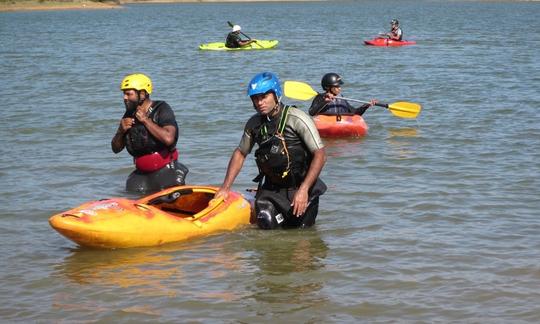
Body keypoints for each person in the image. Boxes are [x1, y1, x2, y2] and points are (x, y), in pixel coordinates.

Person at [215, 72, 327, 230]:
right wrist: (225, 188)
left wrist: (303, 190)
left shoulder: (297, 119)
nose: (259, 102)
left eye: (264, 97)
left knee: (301, 238)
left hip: (301, 189)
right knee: (266, 226)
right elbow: (240, 153)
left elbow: (320, 155)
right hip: (271, 191)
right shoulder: (253, 124)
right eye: (255, 98)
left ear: (276, 95)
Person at [111, 73, 188, 193]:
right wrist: (120, 131)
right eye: (123, 94)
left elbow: (169, 138)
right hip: (141, 174)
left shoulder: (162, 109)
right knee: (132, 197)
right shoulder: (128, 115)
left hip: (166, 170)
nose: (124, 98)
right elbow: (115, 149)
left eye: (129, 94)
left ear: (142, 94)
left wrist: (145, 121)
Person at [309, 73, 377, 116]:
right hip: (326, 124)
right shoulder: (320, 97)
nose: (340, 89)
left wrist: (366, 106)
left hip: (341, 125)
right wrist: (325, 101)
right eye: (337, 87)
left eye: (340, 86)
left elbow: (355, 113)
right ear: (328, 87)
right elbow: (311, 113)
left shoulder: (341, 98)